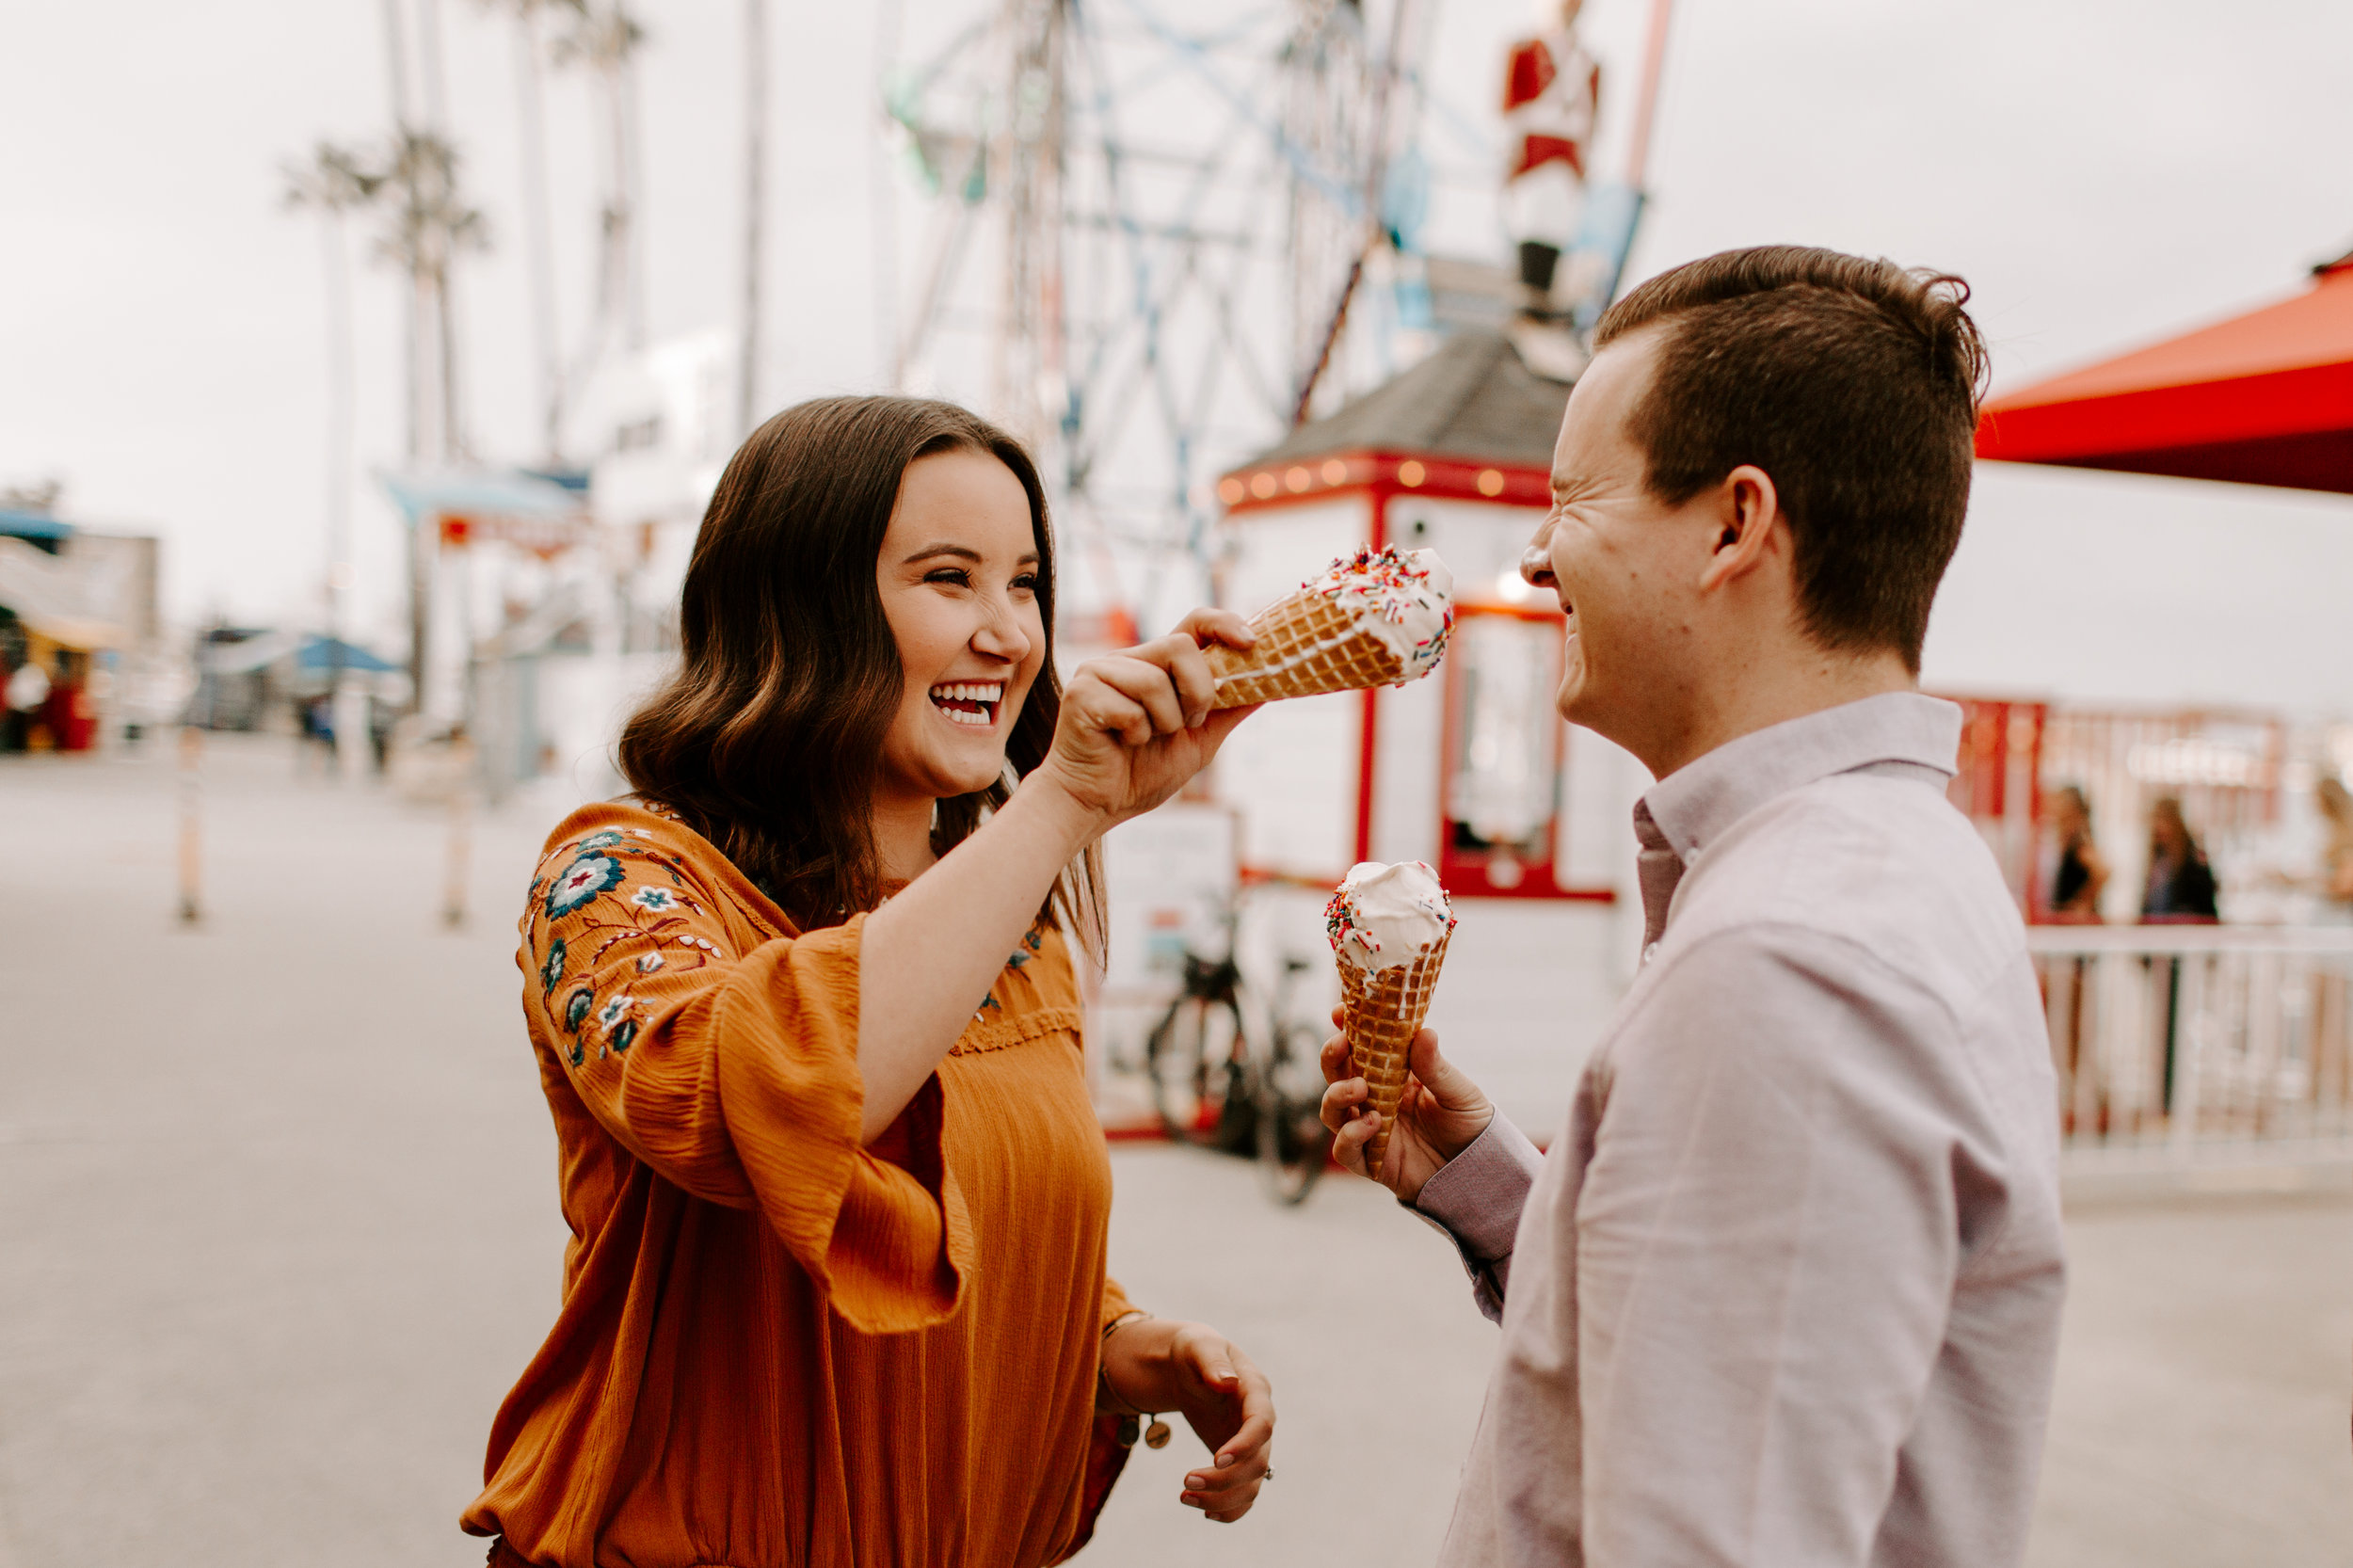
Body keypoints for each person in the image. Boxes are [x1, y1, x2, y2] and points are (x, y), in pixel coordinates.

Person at [1320, 247, 2067, 1566]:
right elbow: (1737, 1354)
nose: (1539, 557)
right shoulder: (1879, 876)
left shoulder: (1794, 963)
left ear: (1733, 525)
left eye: (1573, 499)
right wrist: (1503, 1195)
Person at [464, 396, 1276, 1567]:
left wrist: (1125, 1346)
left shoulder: (1018, 921)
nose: (1009, 635)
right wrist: (1059, 805)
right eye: (950, 579)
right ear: (799, 602)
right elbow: (754, 1112)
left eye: (1025, 583)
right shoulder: (615, 881)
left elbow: (946, 1241)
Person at [2140, 795, 2217, 921]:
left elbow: (2206, 909)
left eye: (2164, 819)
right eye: (2156, 818)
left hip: (2185, 933)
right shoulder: (2158, 859)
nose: (2158, 825)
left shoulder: (2194, 861)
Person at [2045, 782, 2108, 922]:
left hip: (2076, 923)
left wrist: (2082, 904)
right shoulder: (2066, 839)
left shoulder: (2079, 841)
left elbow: (2103, 871)